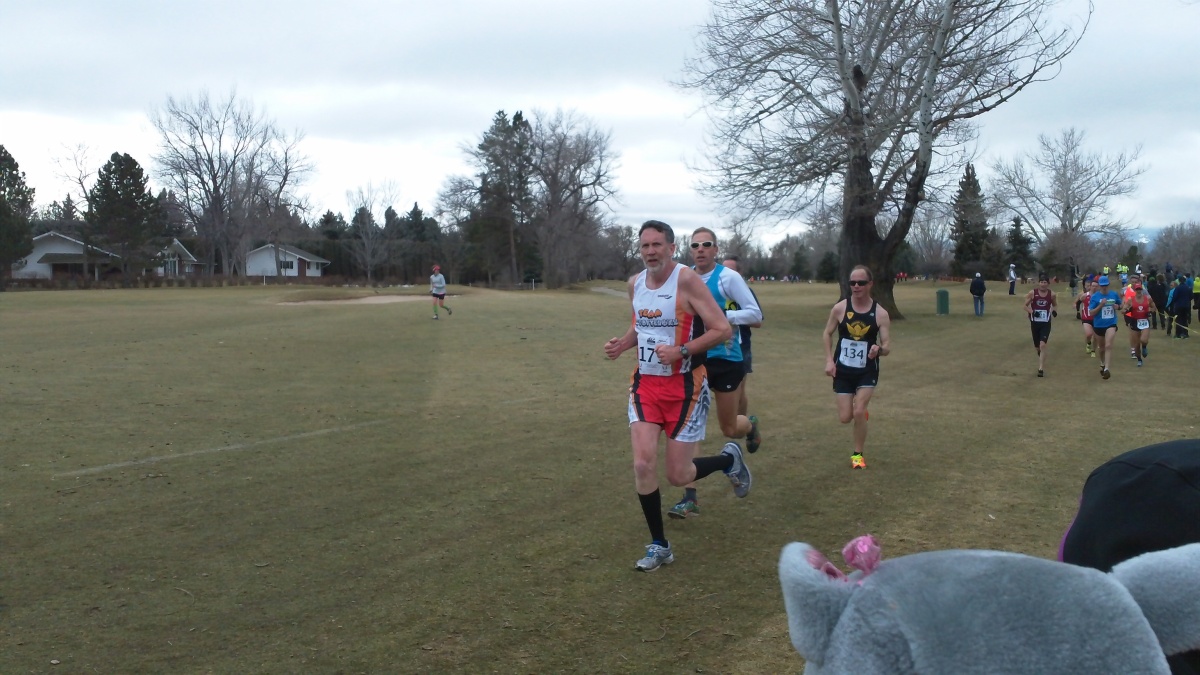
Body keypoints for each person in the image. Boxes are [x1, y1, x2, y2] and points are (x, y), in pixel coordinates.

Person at [604, 220, 752, 571]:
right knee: (642, 463)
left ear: (671, 248)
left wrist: (681, 351)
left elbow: (722, 329)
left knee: (679, 475)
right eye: (645, 246)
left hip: (685, 387)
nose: (651, 252)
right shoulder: (635, 284)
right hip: (645, 385)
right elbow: (640, 325)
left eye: (657, 245)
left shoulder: (686, 280)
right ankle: (659, 545)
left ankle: (728, 461)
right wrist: (623, 343)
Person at [667, 230, 764, 520]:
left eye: (706, 245)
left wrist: (719, 316)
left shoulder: (728, 278)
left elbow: (755, 315)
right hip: (695, 359)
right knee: (690, 426)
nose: (700, 249)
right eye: (695, 245)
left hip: (726, 359)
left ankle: (750, 425)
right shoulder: (684, 277)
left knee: (729, 428)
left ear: (715, 249)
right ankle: (690, 497)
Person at [822, 265, 892, 469]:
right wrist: (829, 360)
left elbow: (887, 345)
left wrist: (879, 349)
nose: (856, 286)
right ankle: (860, 413)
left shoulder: (880, 313)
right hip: (843, 370)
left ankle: (857, 455)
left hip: (867, 370)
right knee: (845, 418)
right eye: (852, 282)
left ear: (870, 284)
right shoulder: (840, 308)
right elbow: (827, 333)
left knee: (859, 410)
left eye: (861, 282)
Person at [1024, 273, 1057, 377]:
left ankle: (1041, 369)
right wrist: (1032, 312)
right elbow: (1025, 306)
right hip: (1035, 323)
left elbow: (1055, 305)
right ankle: (1040, 353)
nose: (1043, 284)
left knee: (1043, 345)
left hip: (1046, 323)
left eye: (1045, 282)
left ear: (1048, 283)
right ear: (1039, 283)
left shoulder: (1052, 294)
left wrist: (1054, 311)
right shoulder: (1032, 293)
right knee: (1037, 347)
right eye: (1041, 282)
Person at [1089, 276, 1122, 379]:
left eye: (1106, 285)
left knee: (1108, 345)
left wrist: (1118, 307)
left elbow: (1121, 305)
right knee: (1102, 348)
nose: (1104, 287)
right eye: (1102, 285)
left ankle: (1107, 369)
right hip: (1099, 325)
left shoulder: (1113, 294)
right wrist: (1100, 305)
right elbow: (1091, 313)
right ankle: (1102, 363)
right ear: (1099, 286)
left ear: (1108, 285)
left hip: (1111, 323)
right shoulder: (1095, 297)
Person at [1121, 277, 1157, 367]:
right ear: (1135, 290)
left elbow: (1154, 307)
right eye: (1137, 290)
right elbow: (1123, 309)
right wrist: (1127, 310)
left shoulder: (1147, 299)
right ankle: (1139, 360)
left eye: (1140, 289)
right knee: (1136, 344)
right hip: (1134, 321)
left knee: (1143, 339)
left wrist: (1150, 311)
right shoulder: (1131, 300)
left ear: (1142, 290)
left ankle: (1144, 346)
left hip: (1144, 321)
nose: (1138, 291)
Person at [1075, 278, 1098, 358]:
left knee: (1096, 336)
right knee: (1089, 334)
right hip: (1086, 318)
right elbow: (1078, 303)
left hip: (1097, 319)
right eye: (1093, 286)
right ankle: (1088, 343)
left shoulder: (1099, 296)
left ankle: (1093, 351)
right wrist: (1078, 312)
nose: (1094, 288)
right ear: (1090, 287)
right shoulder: (1085, 296)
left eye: (1096, 286)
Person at [1173, 274, 1193, 339]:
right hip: (1186, 305)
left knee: (1178, 319)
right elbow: (1191, 296)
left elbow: (1175, 296)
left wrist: (1175, 301)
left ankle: (1178, 334)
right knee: (1185, 319)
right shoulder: (1188, 288)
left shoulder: (1178, 288)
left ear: (1179, 281)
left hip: (1179, 305)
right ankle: (1185, 333)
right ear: (1185, 281)